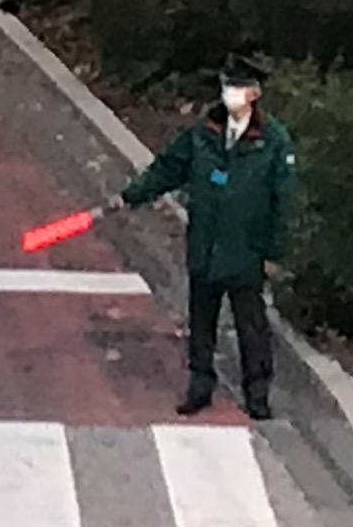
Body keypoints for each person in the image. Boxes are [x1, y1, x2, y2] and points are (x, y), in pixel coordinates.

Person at [120, 53, 298, 419]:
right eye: (227, 86)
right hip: (205, 244)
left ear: (254, 94)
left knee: (252, 324)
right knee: (202, 318)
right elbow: (169, 167)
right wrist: (134, 194)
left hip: (245, 250)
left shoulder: (273, 141)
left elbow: (286, 198)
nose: (230, 94)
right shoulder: (203, 134)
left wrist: (274, 249)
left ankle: (258, 393)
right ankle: (200, 385)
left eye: (239, 88)